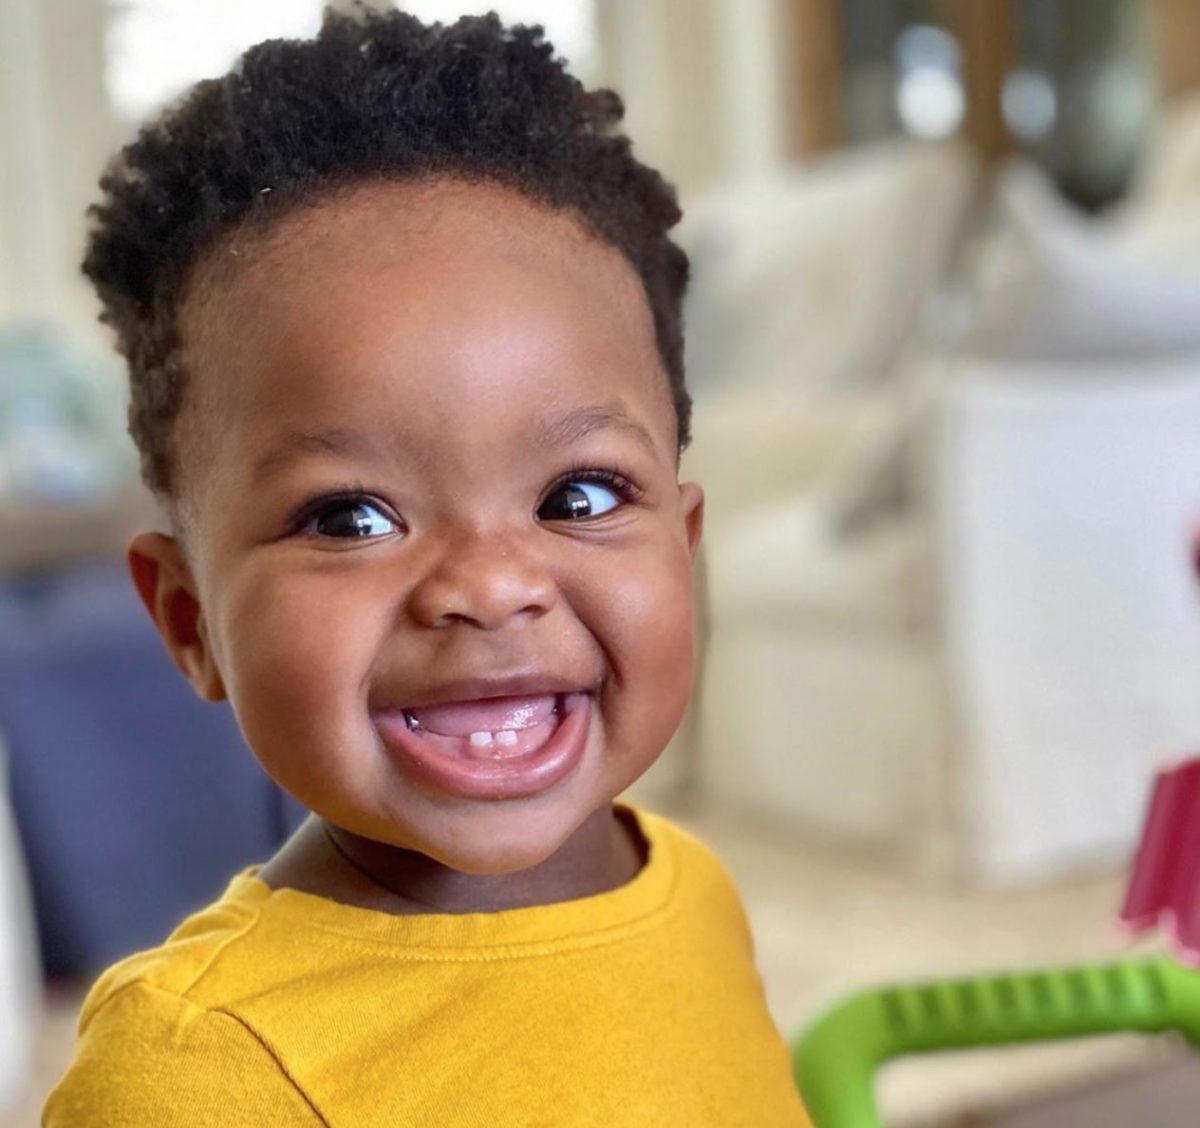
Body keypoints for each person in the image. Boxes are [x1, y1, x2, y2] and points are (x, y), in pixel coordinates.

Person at [44, 8, 812, 1125]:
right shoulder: (191, 1072)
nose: (492, 585)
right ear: (187, 619)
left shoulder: (695, 892)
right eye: (350, 518)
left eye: (580, 496)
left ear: (683, 552)